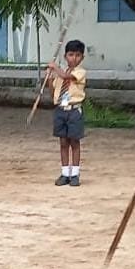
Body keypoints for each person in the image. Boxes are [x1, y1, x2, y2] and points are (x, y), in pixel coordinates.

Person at [48, 39, 87, 186]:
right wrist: (50, 78)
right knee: (63, 142)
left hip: (74, 111)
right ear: (65, 56)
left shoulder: (80, 72)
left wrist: (55, 67)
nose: (74, 58)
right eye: (71, 55)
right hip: (60, 110)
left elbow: (66, 77)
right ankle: (65, 173)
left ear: (82, 58)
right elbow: (54, 93)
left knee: (74, 142)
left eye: (77, 55)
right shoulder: (60, 74)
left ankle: (75, 174)